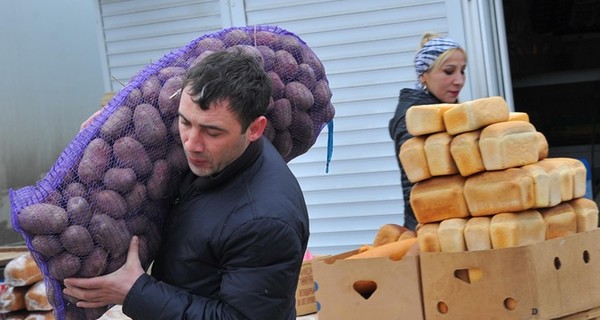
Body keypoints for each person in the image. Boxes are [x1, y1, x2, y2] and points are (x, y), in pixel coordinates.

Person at [64, 49, 310, 319]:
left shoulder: (265, 221)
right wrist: (104, 133)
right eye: (185, 122)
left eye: (212, 132)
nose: (191, 144)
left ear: (254, 129)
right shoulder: (220, 156)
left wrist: (136, 292)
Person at [388, 33, 467, 230]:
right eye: (449, 71)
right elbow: (414, 185)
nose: (459, 80)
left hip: (453, 219)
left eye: (463, 71)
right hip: (432, 223)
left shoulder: (446, 111)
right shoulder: (415, 118)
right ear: (423, 75)